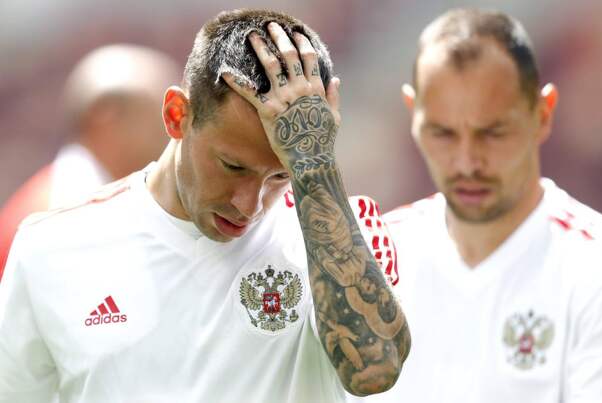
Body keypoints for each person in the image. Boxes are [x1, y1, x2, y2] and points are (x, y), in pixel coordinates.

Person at [0, 9, 410, 403]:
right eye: (233, 166)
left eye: (280, 176)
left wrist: (313, 166)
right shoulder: (49, 247)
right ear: (177, 114)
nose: (248, 205)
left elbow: (376, 372)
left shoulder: (345, 234)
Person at [360, 8, 602, 403]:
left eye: (493, 132)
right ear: (413, 114)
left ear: (542, 113)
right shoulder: (372, 263)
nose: (467, 162)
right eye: (443, 133)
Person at [0, 44, 181, 279]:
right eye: (163, 114)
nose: (176, 129)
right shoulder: (61, 213)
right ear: (106, 117)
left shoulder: (71, 197)